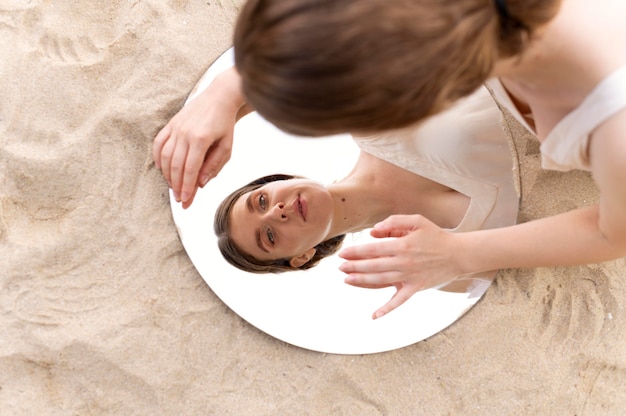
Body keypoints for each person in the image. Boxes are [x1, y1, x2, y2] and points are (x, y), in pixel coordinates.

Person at [154, 0, 626, 318]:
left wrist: (228, 90)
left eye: (260, 201)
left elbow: (614, 230)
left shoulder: (606, 123)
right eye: (269, 234)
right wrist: (226, 92)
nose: (275, 210)